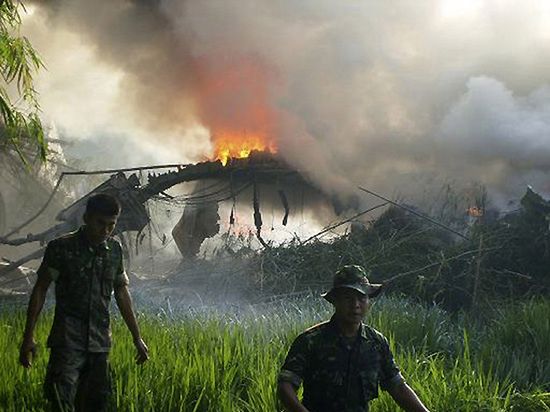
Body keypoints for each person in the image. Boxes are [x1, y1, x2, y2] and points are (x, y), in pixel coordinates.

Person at [19, 193, 149, 411]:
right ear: (87, 218)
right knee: (61, 402)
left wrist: (137, 338)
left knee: (96, 404)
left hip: (100, 345)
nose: (106, 230)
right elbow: (40, 289)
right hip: (67, 343)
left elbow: (122, 293)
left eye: (111, 225)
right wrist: (28, 336)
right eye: (100, 223)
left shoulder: (114, 251)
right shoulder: (61, 248)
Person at [278, 265, 430, 412]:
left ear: (368, 301)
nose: (355, 305)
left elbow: (398, 387)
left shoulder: (376, 343)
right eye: (348, 298)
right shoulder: (310, 341)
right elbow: (286, 386)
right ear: (335, 301)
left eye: (361, 298)